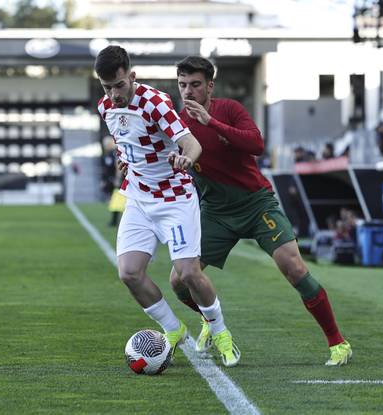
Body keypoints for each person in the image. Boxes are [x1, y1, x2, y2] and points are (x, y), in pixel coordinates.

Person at [169, 56, 352, 366]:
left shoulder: (229, 110)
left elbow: (256, 144)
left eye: (195, 85)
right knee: (178, 280)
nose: (188, 92)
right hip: (215, 211)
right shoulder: (174, 123)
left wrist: (211, 123)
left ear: (210, 87)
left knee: (293, 267)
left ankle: (338, 343)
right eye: (183, 85)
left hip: (256, 204)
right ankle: (210, 319)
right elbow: (160, 155)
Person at [95, 45, 240, 366]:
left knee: (189, 273)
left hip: (174, 198)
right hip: (138, 198)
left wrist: (186, 157)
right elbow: (127, 142)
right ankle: (174, 330)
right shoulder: (105, 107)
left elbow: (191, 142)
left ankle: (220, 331)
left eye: (119, 85)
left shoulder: (156, 102)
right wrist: (125, 158)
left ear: (131, 76)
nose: (114, 94)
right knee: (130, 273)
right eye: (107, 88)